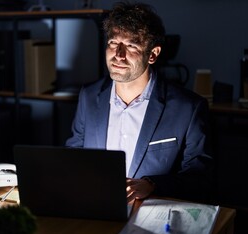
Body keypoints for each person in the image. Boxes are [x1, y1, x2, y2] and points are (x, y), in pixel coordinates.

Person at [66, 1, 214, 203]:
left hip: (152, 216)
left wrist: (152, 185)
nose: (118, 55)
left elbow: (200, 179)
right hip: (96, 207)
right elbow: (75, 157)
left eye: (131, 46)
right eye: (113, 43)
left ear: (152, 54)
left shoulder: (188, 108)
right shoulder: (89, 96)